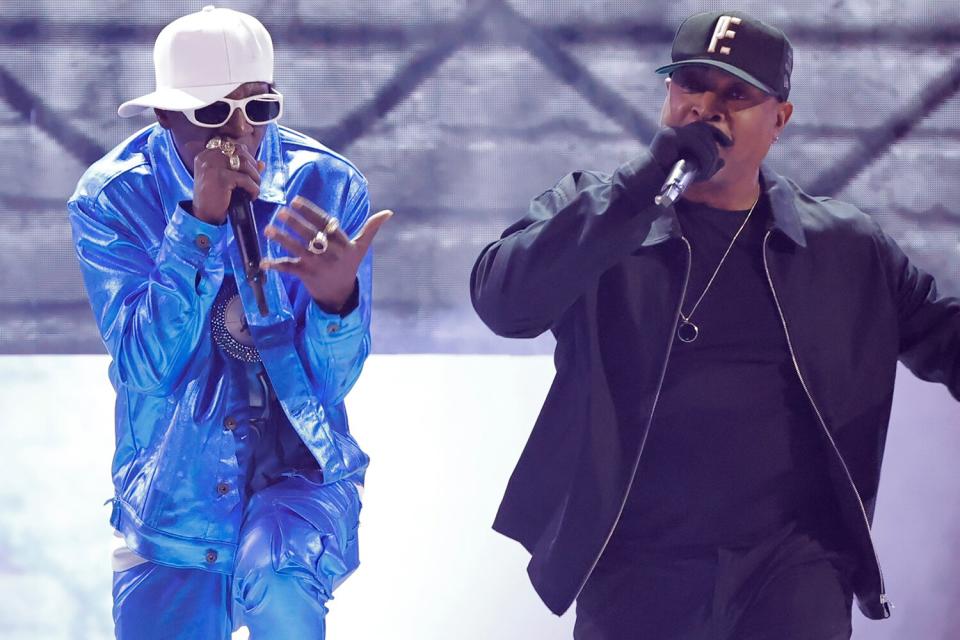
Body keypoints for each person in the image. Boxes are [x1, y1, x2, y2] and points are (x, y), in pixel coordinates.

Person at [470, 10, 959, 640]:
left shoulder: (845, 247)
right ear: (668, 97)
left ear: (779, 119)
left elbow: (946, 340)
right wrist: (638, 189)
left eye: (736, 93)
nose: (707, 108)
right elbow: (503, 303)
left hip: (792, 562)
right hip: (636, 563)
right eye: (690, 86)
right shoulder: (594, 212)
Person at [67, 6, 391, 639]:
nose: (240, 133)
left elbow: (333, 382)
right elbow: (145, 366)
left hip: (300, 477)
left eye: (259, 110)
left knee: (276, 575)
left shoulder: (324, 183)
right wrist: (197, 224)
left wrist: (336, 305)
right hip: (170, 492)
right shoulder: (112, 197)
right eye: (214, 114)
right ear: (165, 115)